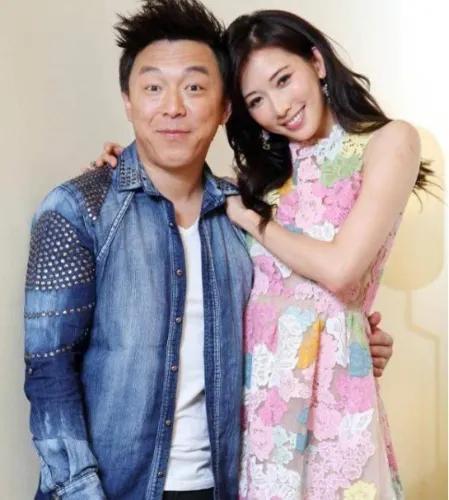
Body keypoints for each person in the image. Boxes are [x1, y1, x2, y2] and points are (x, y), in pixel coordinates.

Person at [24, 1, 252, 498]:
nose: (173, 107)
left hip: (223, 486)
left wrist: (355, 338)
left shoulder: (248, 220)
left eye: (194, 88)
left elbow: (290, 322)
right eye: (153, 88)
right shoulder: (77, 210)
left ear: (224, 107)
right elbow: (50, 372)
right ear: (128, 101)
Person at [222, 9, 428, 500]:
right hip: (259, 407)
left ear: (316, 62)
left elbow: (340, 269)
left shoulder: (389, 142)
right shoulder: (258, 183)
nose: (279, 107)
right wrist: (117, 169)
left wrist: (253, 221)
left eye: (283, 79)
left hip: (334, 397)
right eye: (256, 100)